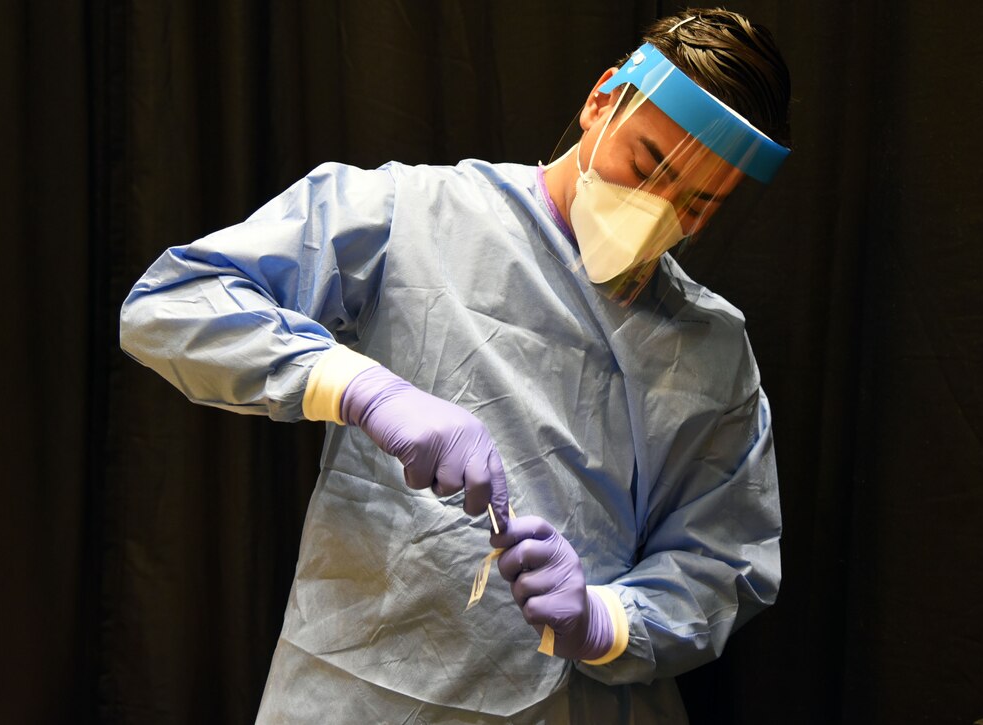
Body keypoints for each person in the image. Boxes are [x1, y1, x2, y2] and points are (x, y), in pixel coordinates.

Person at [120, 8, 791, 723]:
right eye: (647, 166)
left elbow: (725, 561)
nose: (659, 211)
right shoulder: (412, 215)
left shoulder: (711, 352)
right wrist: (359, 387)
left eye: (697, 204)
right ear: (603, 99)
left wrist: (606, 623)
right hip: (365, 692)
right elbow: (175, 304)